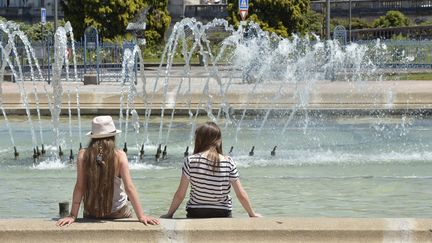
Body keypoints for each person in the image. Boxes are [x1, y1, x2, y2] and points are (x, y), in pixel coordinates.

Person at [56, 116, 159, 226]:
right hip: (118, 211)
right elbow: (129, 187)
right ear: (113, 136)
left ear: (92, 137)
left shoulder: (83, 155)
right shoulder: (120, 155)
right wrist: (141, 216)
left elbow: (80, 187)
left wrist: (72, 215)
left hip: (92, 212)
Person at [161, 122, 260, 218]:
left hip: (196, 212)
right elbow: (240, 194)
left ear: (198, 140)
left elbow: (180, 194)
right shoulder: (228, 161)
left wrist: (169, 214)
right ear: (219, 140)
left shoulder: (191, 161)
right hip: (222, 212)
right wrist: (252, 213)